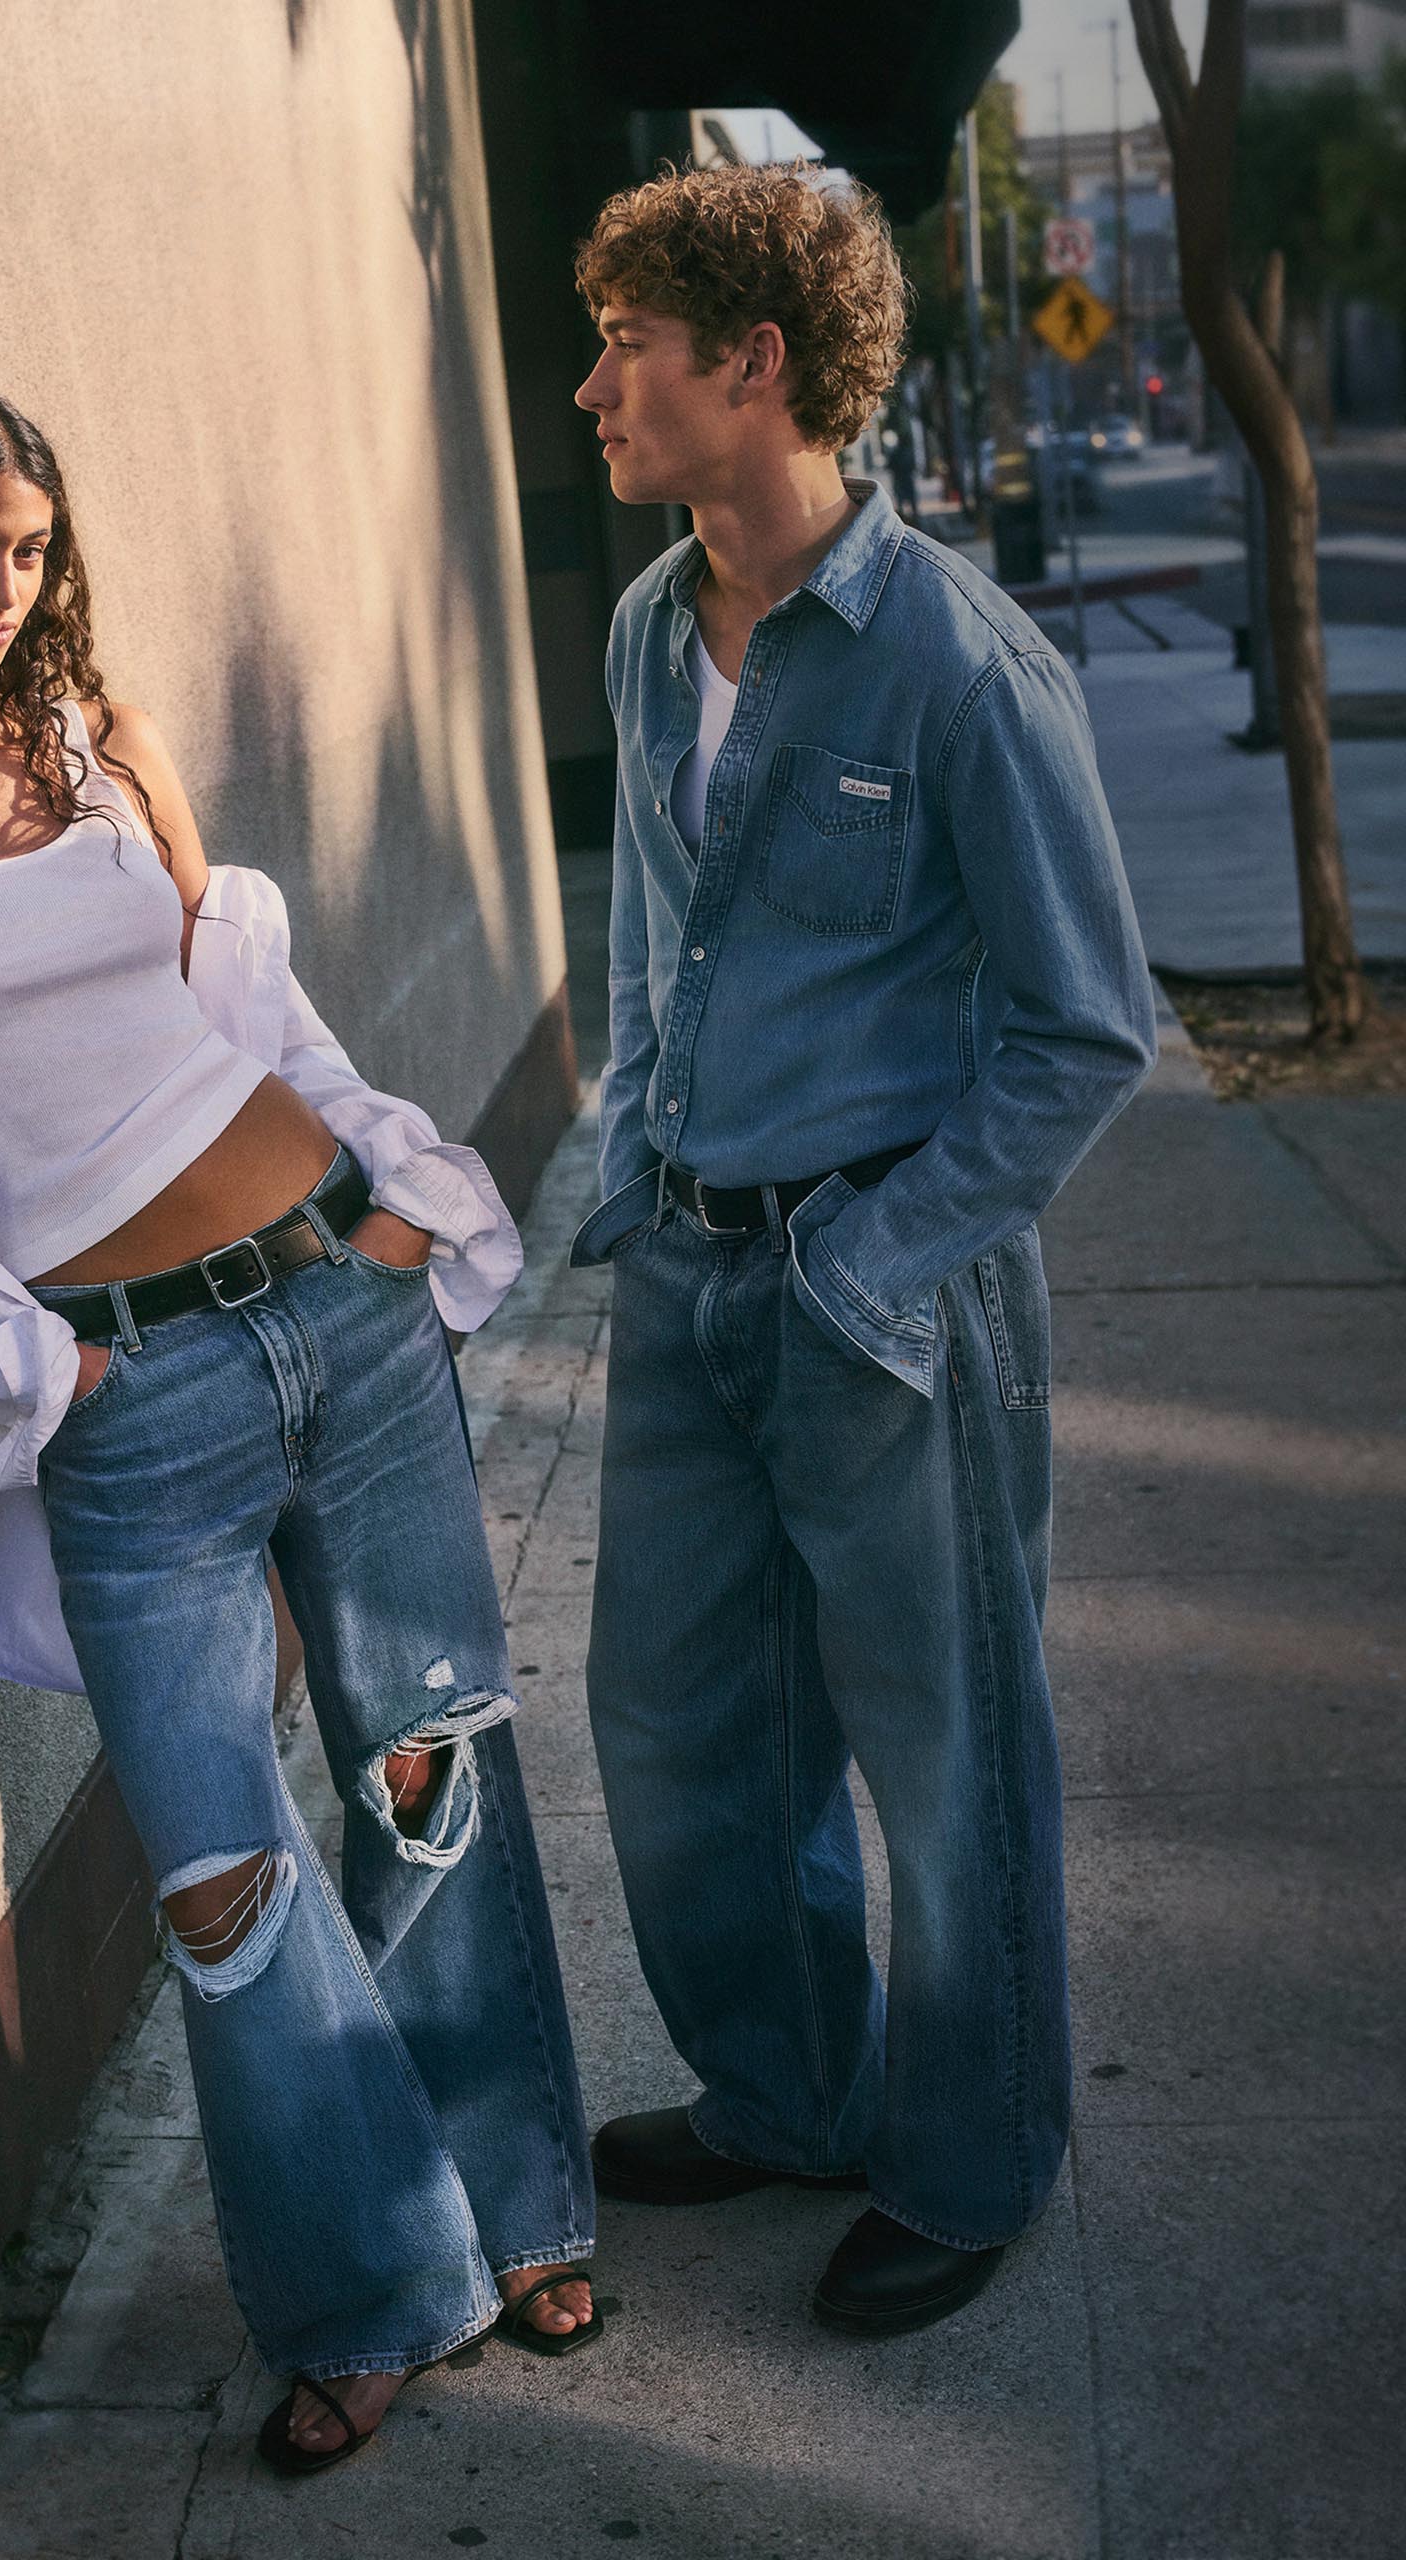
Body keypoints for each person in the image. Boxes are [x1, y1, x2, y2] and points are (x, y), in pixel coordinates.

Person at [0, 378, 600, 2472]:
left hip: (333, 1297)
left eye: (26, 545)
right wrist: (37, 1364)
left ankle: (524, 2194)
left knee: (424, 1762)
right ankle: (373, 2283)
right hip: (129, 1398)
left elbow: (243, 1000)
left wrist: (396, 1203)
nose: (0, 587)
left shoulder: (102, 739)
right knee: (217, 1868)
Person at [568, 167, 1155, 2337]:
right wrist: (635, 1170)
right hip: (693, 1274)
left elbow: (1087, 1023)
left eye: (633, 338)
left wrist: (882, 1256)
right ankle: (792, 2085)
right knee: (680, 1732)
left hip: (892, 1298)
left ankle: (971, 2151)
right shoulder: (647, 625)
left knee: (943, 1751)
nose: (591, 380)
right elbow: (650, 930)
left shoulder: (960, 661)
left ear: (758, 363)